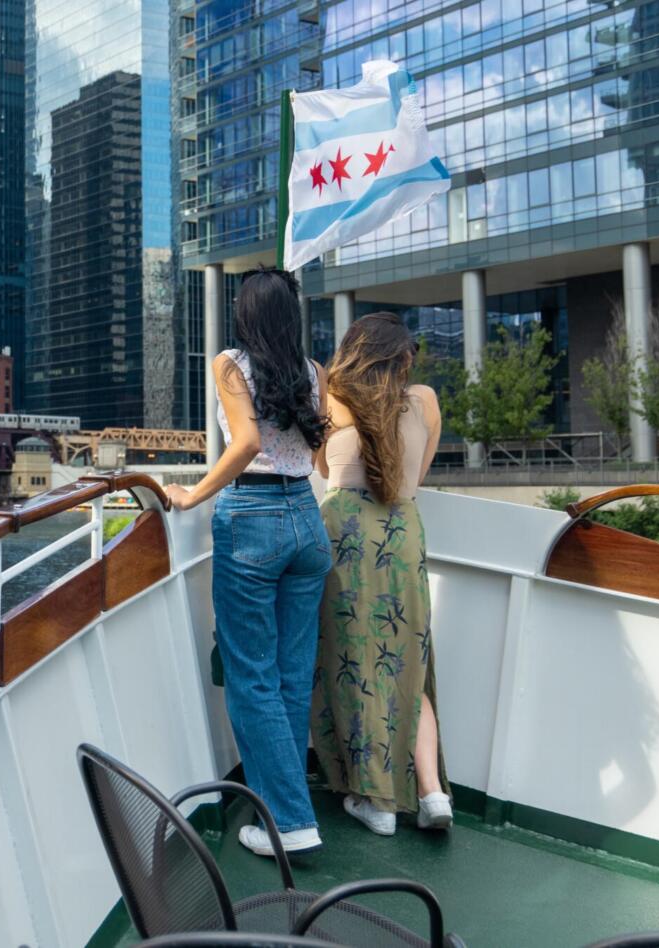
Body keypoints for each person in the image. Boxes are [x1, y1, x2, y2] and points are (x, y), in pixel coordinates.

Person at [165, 268, 331, 857]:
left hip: (254, 518)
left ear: (246, 312)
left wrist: (191, 493)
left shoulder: (230, 364)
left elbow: (247, 444)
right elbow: (315, 449)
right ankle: (279, 810)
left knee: (249, 676)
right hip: (307, 523)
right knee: (287, 676)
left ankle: (290, 823)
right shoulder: (315, 372)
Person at [311, 312, 452, 837]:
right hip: (403, 532)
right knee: (408, 661)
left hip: (344, 532)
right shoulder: (426, 401)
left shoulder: (331, 397)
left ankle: (377, 803)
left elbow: (324, 471)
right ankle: (431, 791)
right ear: (403, 356)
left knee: (354, 662)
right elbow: (415, 476)